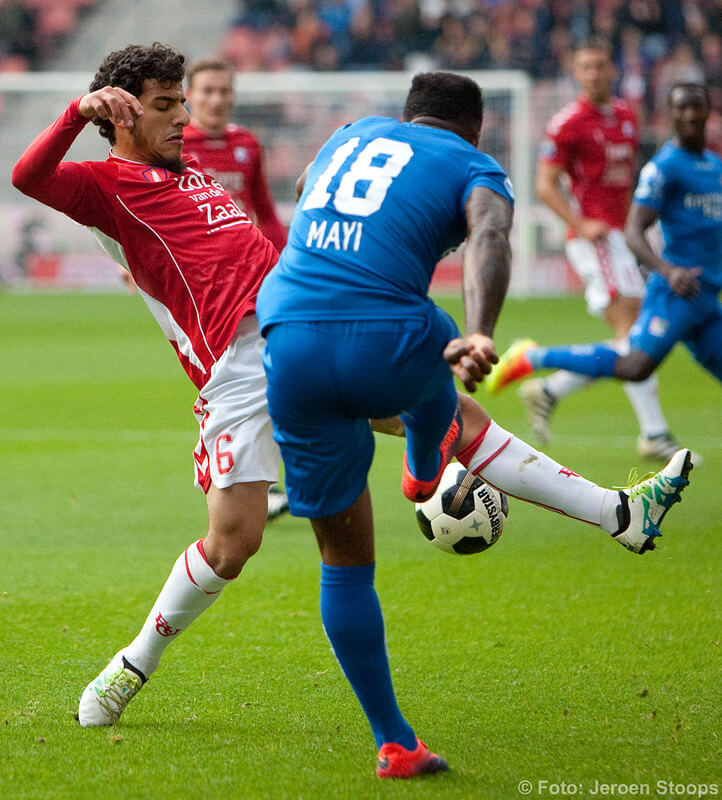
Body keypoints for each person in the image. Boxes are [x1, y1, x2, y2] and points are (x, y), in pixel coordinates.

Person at [256, 71, 693, 778]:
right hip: (383, 335)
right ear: (477, 128)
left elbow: (309, 187)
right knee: (443, 340)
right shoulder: (473, 164)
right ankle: (428, 468)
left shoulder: (351, 134)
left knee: (344, 563)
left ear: (408, 115)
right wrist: (483, 332)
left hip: (287, 337)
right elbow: (490, 235)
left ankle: (395, 741)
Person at [11, 43, 284, 728]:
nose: (186, 118)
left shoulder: (194, 173)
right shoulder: (105, 187)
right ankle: (132, 664)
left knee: (416, 403)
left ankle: (599, 509)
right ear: (124, 115)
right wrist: (78, 112)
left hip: (283, 331)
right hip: (230, 366)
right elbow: (27, 174)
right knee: (234, 543)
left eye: (184, 102)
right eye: (167, 106)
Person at [486, 83, 721, 407]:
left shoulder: (715, 166)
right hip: (677, 292)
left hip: (709, 297)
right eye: (682, 108)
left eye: (697, 106)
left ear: (709, 110)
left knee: (632, 352)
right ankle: (534, 357)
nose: (691, 115)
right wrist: (668, 272)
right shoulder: (664, 168)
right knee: (634, 364)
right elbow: (634, 231)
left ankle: (558, 393)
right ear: (670, 114)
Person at [516, 37, 679, 460]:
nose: (593, 73)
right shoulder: (567, 123)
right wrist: (578, 222)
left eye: (600, 66)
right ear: (575, 72)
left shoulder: (626, 115)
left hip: (624, 237)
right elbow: (544, 184)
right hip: (597, 241)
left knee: (634, 339)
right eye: (585, 67)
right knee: (634, 337)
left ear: (613, 69)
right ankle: (654, 433)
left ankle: (550, 388)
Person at [184, 56, 289, 519]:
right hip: (202, 290)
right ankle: (238, 479)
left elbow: (264, 211)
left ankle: (254, 482)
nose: (216, 99)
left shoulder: (246, 144)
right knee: (234, 379)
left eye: (224, 91)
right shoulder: (174, 145)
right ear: (189, 95)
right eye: (207, 91)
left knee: (273, 371)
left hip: (253, 281)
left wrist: (289, 263)